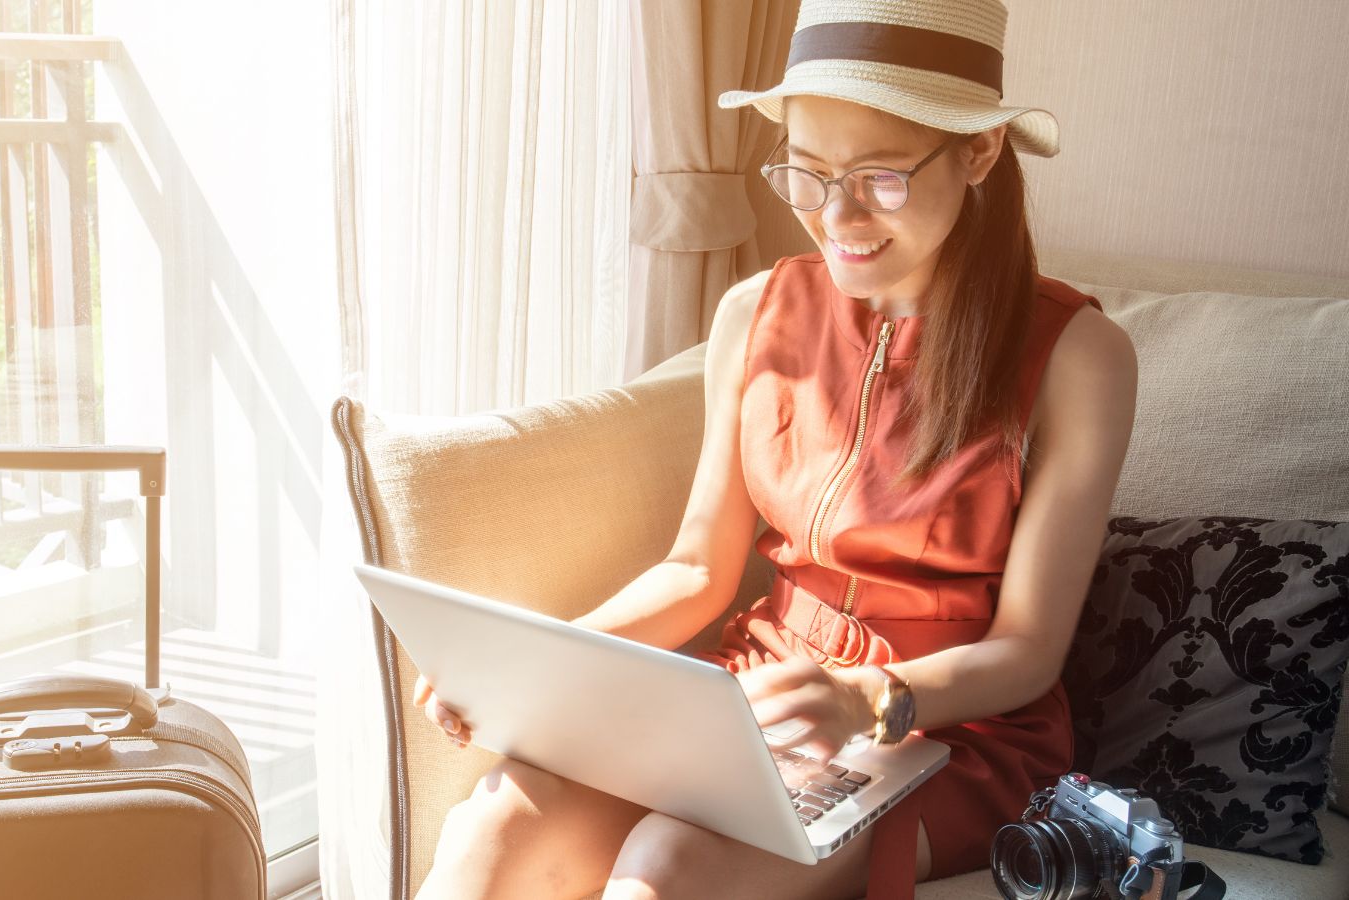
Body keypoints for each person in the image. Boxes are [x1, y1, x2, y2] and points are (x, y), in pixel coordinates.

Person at [409, 0, 1137, 897]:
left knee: (666, 869)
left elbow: (1027, 649)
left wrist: (870, 696)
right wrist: (529, 667)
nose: (839, 216)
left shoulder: (1078, 355)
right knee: (498, 821)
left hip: (945, 728)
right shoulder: (753, 313)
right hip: (756, 690)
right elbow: (696, 572)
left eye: (881, 177)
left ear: (978, 152)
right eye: (807, 171)